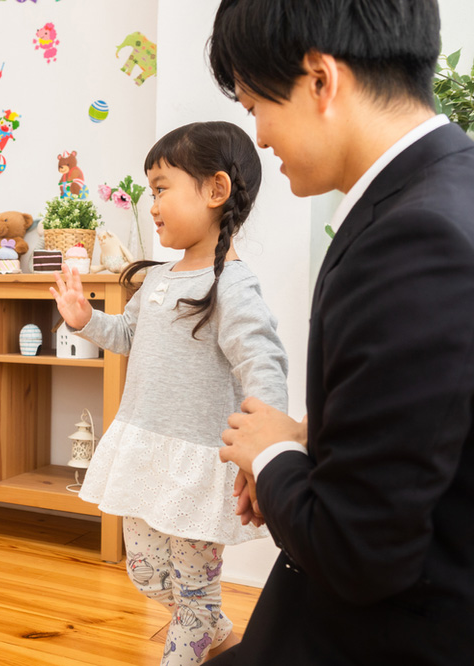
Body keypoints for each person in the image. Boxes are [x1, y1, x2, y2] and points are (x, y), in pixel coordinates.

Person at [206, 2, 474, 664]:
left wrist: (272, 458)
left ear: (321, 81)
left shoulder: (416, 238)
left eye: (255, 104)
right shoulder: (451, 186)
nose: (259, 137)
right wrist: (314, 440)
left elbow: (359, 551)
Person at [50, 121, 289, 666]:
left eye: (161, 188)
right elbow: (130, 336)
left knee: (194, 595)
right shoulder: (157, 279)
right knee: (147, 574)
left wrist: (267, 444)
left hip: (199, 464)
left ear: (215, 190)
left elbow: (263, 361)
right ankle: (218, 634)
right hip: (144, 449)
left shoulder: (231, 283)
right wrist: (88, 321)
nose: (151, 203)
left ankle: (198, 635)